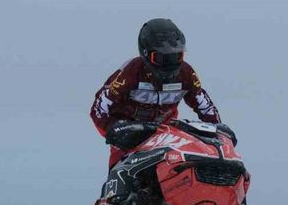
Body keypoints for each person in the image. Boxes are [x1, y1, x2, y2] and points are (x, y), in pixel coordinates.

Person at [91, 19, 223, 170]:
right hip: (129, 139)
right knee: (118, 174)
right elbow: (99, 108)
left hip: (167, 137)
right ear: (146, 54)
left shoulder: (186, 73)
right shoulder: (131, 72)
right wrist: (113, 130)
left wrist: (218, 134)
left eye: (176, 56)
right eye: (161, 58)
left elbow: (205, 106)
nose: (170, 63)